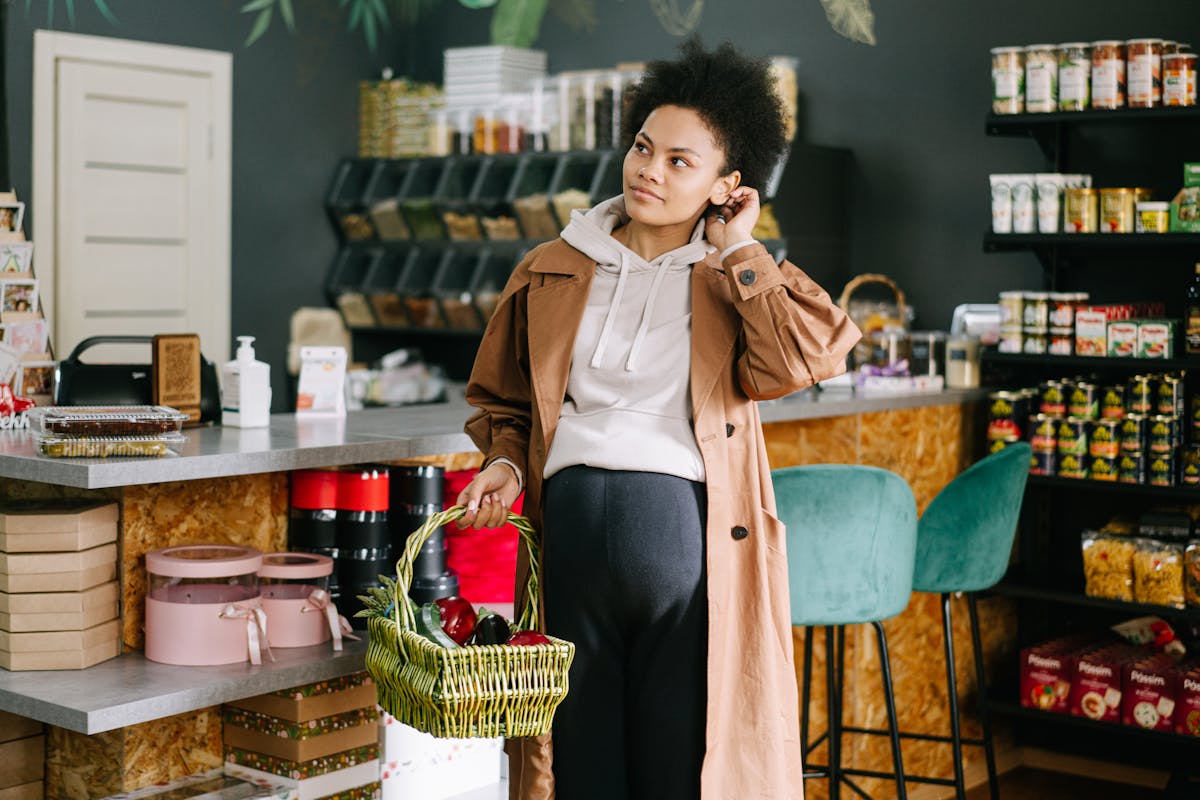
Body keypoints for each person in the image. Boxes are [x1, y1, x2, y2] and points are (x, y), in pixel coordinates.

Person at [457, 38, 860, 800]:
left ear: (726, 184)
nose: (651, 170)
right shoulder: (551, 267)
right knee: (578, 773)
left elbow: (806, 359)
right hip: (570, 551)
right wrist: (505, 464)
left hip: (683, 555)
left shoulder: (733, 279)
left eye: (681, 161)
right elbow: (505, 403)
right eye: (644, 147)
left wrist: (740, 246)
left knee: (680, 773)